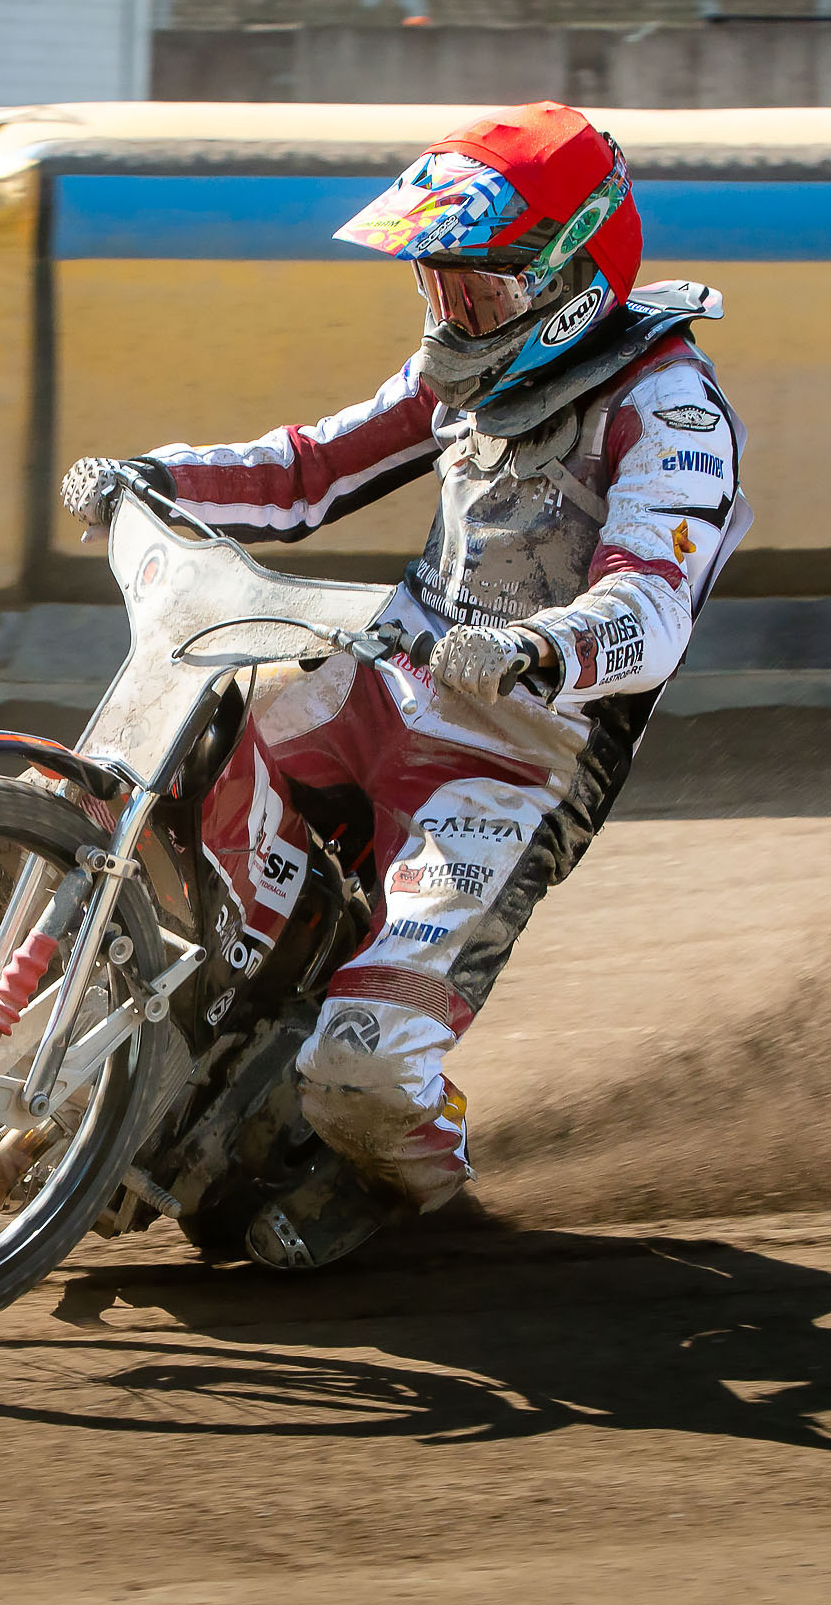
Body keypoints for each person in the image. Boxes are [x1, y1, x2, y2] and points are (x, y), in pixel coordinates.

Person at [57, 102, 747, 1269]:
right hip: (384, 677)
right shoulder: (471, 373)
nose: (450, 319)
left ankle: (404, 1168)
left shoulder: (670, 409)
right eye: (439, 289)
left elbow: (653, 608)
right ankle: (58, 1067)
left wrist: (540, 647)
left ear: (570, 274)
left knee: (365, 1057)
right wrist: (151, 474)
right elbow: (311, 468)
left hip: (521, 753)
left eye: (474, 291)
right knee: (143, 794)